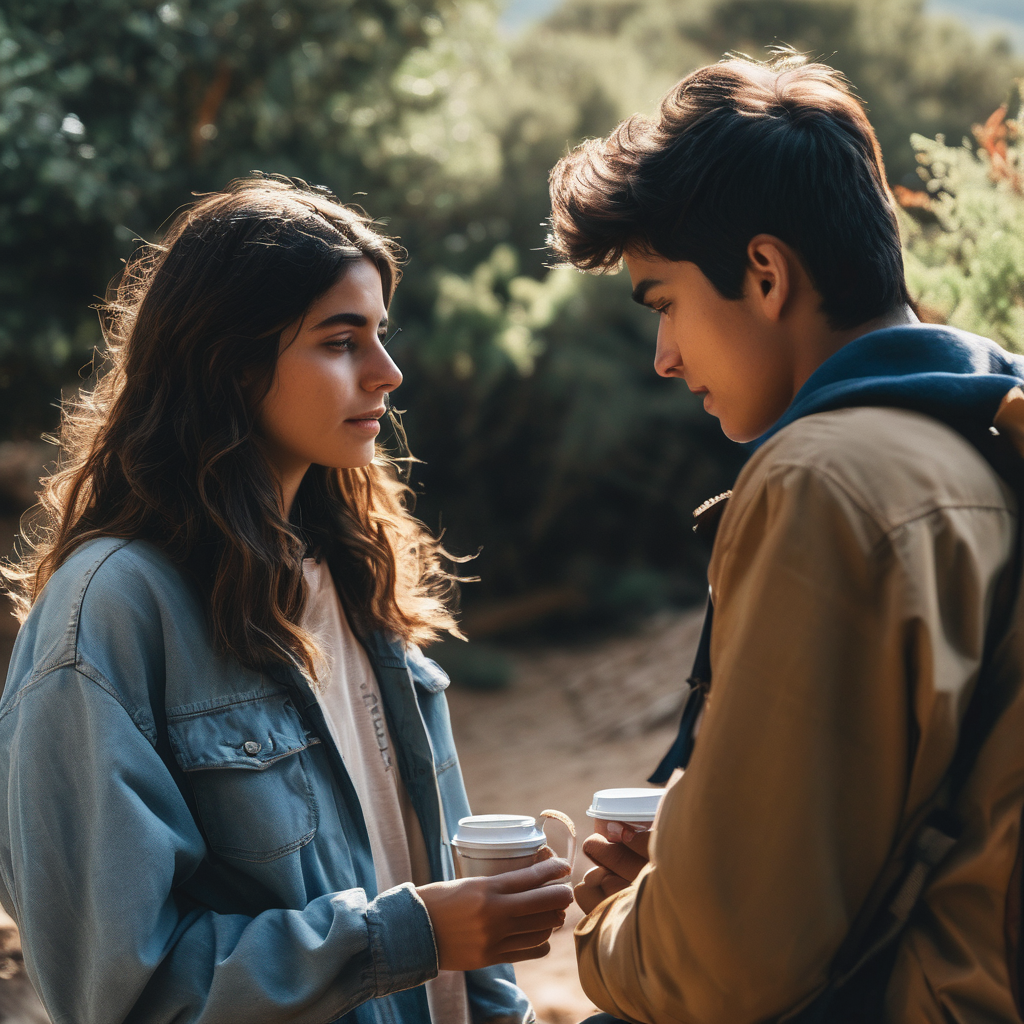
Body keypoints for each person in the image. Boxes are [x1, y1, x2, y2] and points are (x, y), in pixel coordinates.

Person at [0, 175, 572, 1024]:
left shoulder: (355, 574)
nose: (388, 371)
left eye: (380, 334)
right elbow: (117, 988)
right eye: (342, 341)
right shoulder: (110, 613)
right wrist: (408, 936)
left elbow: (448, 900)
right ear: (228, 362)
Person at [547, 53, 1024, 1023]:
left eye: (664, 301)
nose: (664, 357)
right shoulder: (983, 431)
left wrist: (620, 920)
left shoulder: (825, 481)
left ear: (764, 274)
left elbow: (726, 965)